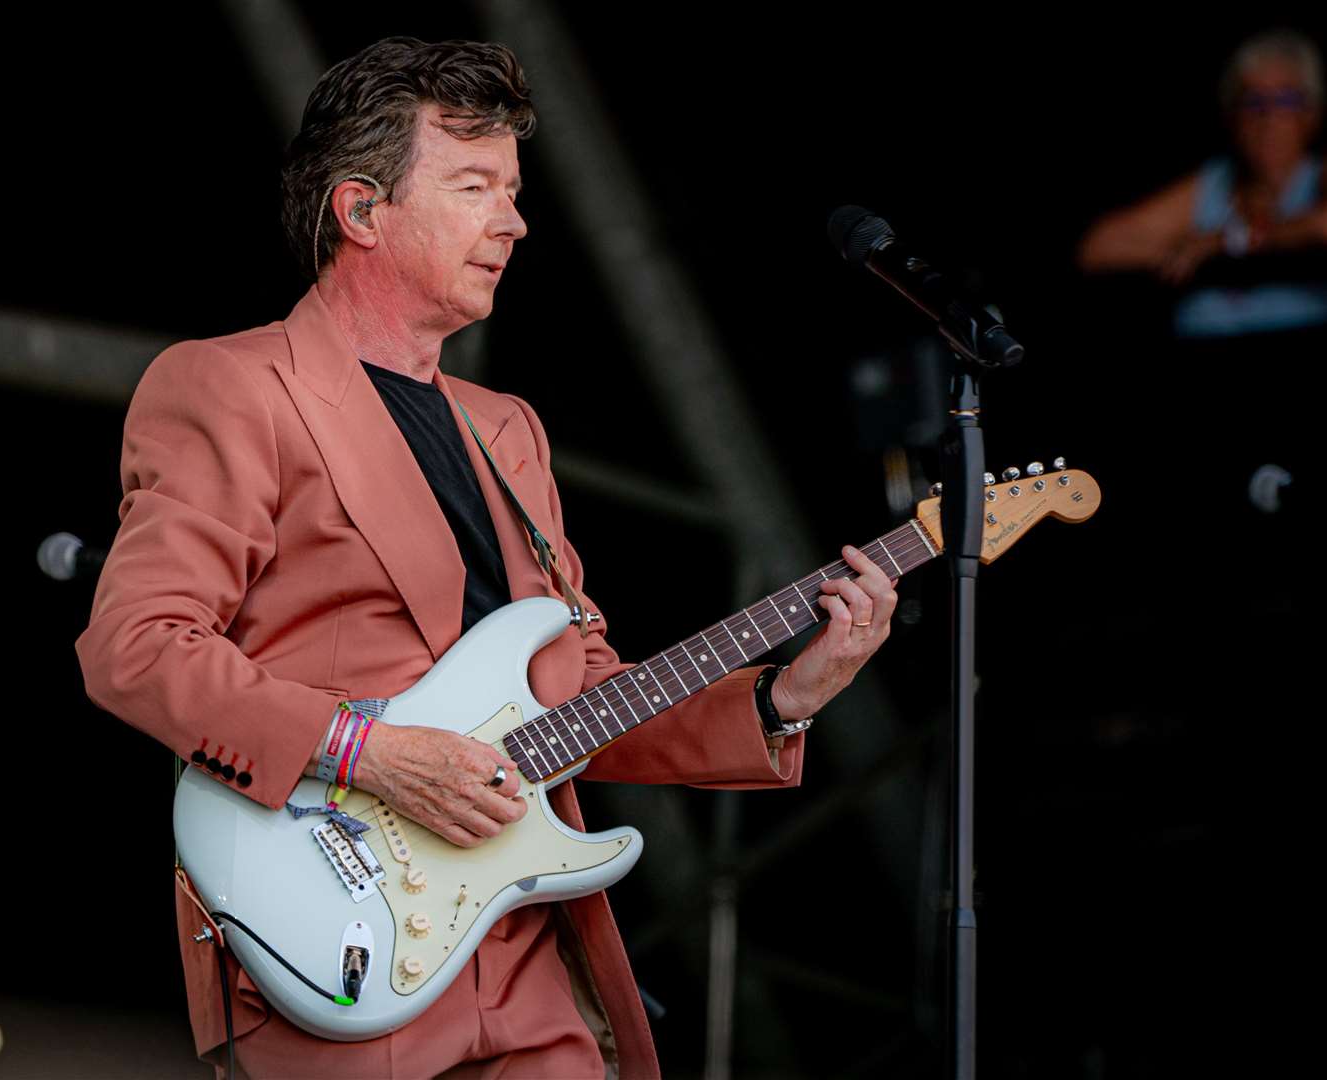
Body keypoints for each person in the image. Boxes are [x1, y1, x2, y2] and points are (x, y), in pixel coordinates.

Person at [75, 37, 896, 1078]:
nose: (513, 220)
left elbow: (581, 700)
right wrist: (367, 752)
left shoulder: (508, 429)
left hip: (527, 954)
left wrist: (783, 698)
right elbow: (136, 648)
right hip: (344, 942)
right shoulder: (233, 387)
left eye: (513, 190)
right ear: (362, 210)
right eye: (475, 187)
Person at [1077, 27, 1327, 337]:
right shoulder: (1215, 184)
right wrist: (1182, 248)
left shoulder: (1318, 176)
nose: (1268, 116)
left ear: (1312, 113)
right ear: (1231, 114)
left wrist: (1228, 242)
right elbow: (1100, 248)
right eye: (1253, 100)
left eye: (1286, 100)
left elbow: (1322, 225)